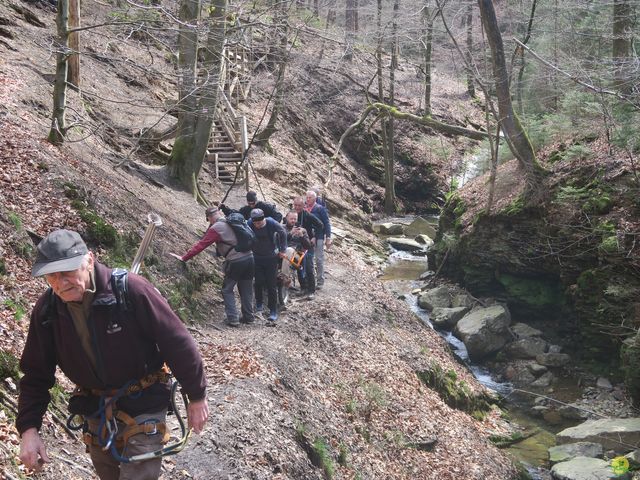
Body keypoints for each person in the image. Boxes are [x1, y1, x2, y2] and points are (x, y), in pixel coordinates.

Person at [17, 229, 208, 480]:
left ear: (90, 260)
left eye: (67, 273)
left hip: (144, 401)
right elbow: (35, 374)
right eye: (51, 276)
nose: (60, 283)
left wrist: (196, 395)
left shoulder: (131, 290)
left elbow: (176, 342)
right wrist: (29, 429)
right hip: (95, 410)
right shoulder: (47, 312)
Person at [173, 206, 255, 327]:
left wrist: (185, 257)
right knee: (246, 288)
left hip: (236, 261)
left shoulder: (216, 228)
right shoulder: (231, 220)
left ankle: (233, 319)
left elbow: (201, 245)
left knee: (227, 289)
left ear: (210, 218)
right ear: (219, 213)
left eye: (208, 220)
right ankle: (249, 317)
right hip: (250, 258)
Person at [247, 208, 287, 324]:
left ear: (263, 219)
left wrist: (283, 250)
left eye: (259, 223)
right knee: (258, 282)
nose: (257, 226)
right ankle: (259, 306)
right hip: (256, 257)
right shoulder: (249, 223)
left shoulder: (270, 222)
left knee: (271, 284)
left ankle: (273, 310)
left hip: (271, 257)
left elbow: (283, 233)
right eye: (255, 224)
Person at [292, 196, 324, 297]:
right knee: (298, 265)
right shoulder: (292, 215)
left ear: (303, 205)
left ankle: (311, 290)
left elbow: (320, 225)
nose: (297, 207)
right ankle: (303, 287)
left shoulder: (307, 215)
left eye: (299, 205)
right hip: (296, 245)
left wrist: (315, 237)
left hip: (308, 244)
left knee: (309, 267)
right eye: (295, 205)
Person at [304, 190, 332, 288]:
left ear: (315, 198)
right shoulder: (304, 208)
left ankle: (320, 281)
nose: (307, 199)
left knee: (319, 259)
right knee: (307, 258)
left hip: (319, 236)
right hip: (306, 236)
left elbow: (326, 223)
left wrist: (328, 237)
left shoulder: (320, 209)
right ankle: (308, 280)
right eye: (306, 197)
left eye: (310, 197)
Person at [283, 211, 312, 293]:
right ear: (286, 218)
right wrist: (290, 234)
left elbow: (308, 246)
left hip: (297, 254)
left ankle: (286, 278)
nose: (293, 221)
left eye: (295, 219)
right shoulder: (281, 228)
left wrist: (302, 236)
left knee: (290, 251)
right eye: (291, 219)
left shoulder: (302, 230)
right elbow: (279, 241)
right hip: (282, 251)